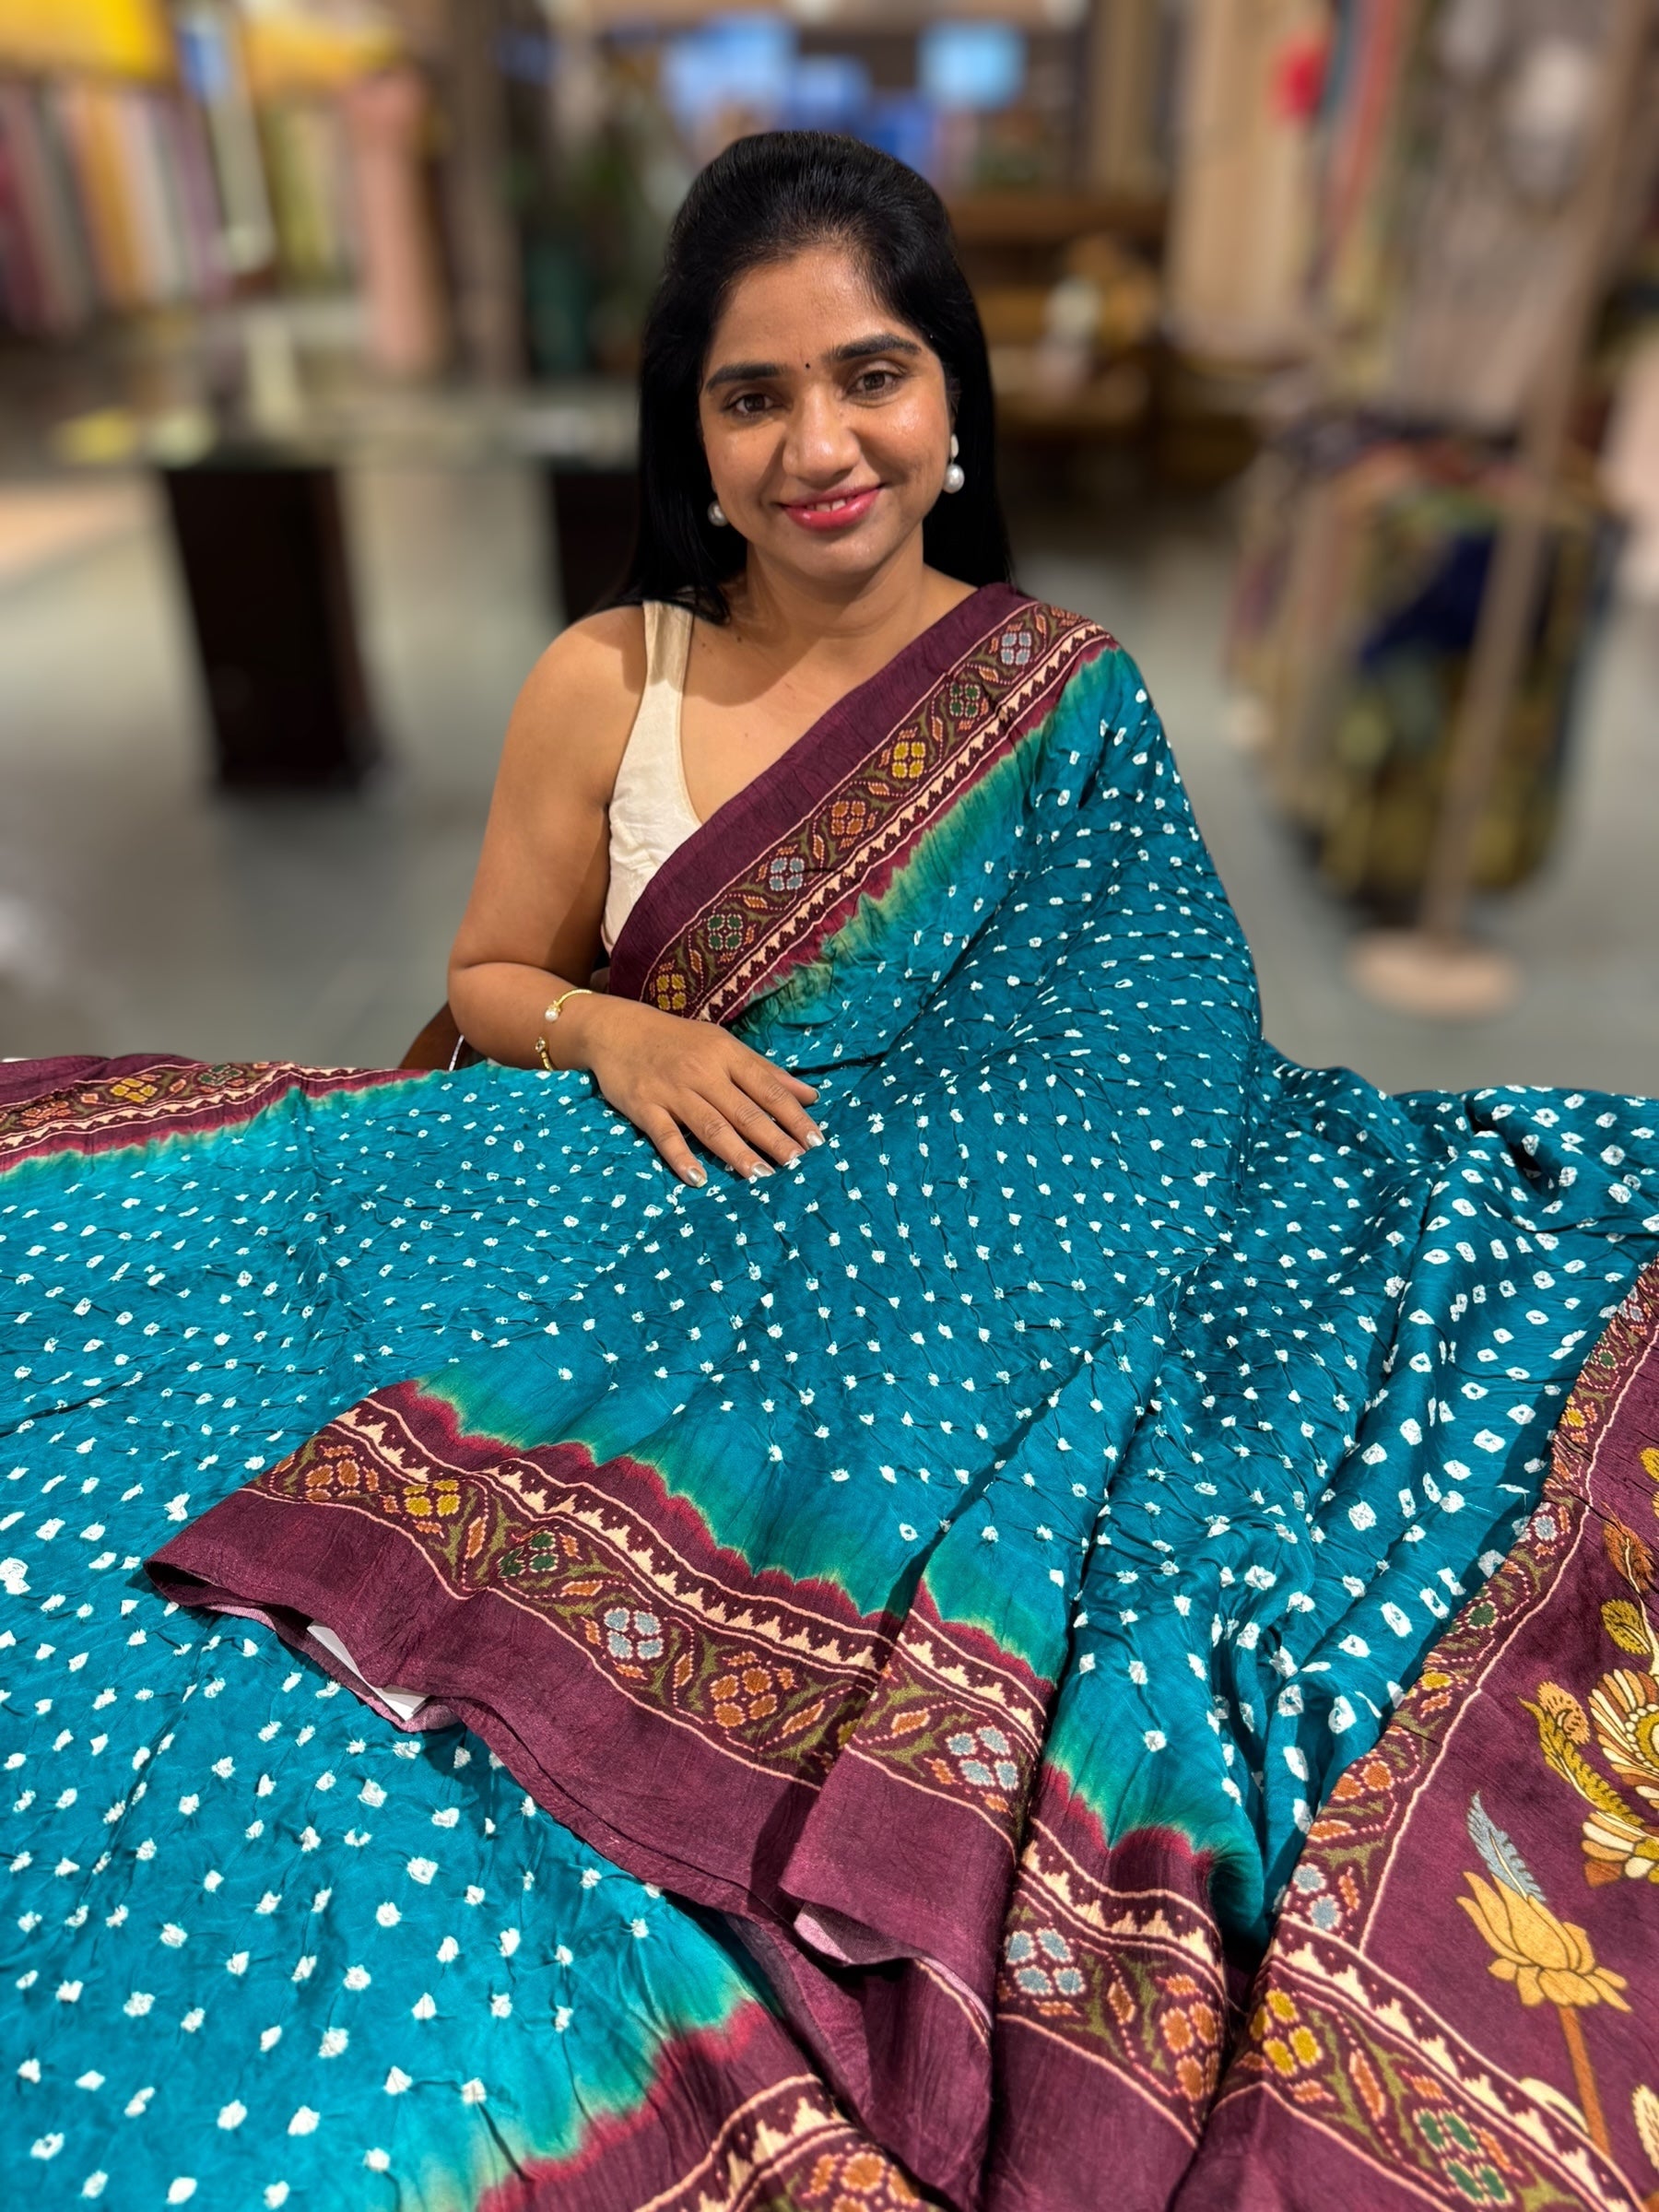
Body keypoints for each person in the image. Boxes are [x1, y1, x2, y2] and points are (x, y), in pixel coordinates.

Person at [8, 133, 1658, 2212]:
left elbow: (1157, 1064)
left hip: (932, 1284)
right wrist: (618, 1030)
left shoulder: (1066, 702)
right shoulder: (613, 678)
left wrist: (922, 1210)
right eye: (753, 394)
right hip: (616, 1193)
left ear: (951, 399)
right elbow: (491, 975)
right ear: (692, 437)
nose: (820, 446)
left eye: (871, 374)